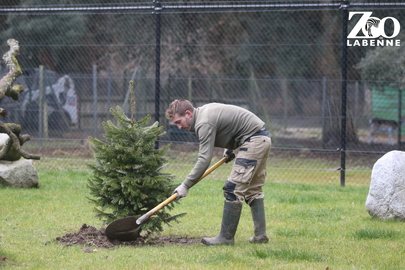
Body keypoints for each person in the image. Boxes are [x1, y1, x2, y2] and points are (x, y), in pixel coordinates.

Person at [165, 99, 271, 245]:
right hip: (261, 138)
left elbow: (204, 159)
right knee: (253, 190)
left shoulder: (203, 122)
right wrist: (230, 148)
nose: (178, 126)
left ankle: (225, 238)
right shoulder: (203, 113)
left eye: (179, 121)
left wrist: (185, 185)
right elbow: (230, 124)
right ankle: (260, 237)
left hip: (253, 141)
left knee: (232, 189)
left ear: (188, 113)